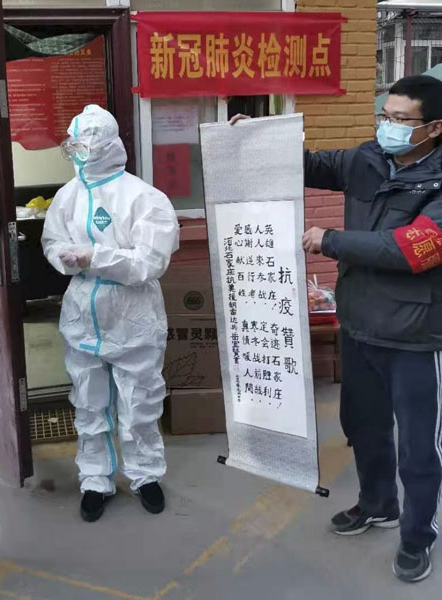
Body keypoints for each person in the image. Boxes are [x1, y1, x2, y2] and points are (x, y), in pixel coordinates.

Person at [230, 74, 442, 583]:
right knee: (363, 425)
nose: (388, 127)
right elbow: (310, 165)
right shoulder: (368, 158)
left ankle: (417, 536)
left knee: (418, 448)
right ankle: (378, 504)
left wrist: (331, 240)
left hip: (415, 336)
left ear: (434, 127)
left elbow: (414, 249)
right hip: (359, 325)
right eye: (384, 116)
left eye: (401, 119)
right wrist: (258, 136)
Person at [42, 105, 179, 522]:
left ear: (105, 146)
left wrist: (95, 257)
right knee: (88, 403)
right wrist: (65, 257)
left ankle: (145, 475)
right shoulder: (68, 195)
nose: (78, 155)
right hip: (83, 317)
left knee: (140, 403)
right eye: (73, 147)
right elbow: (51, 241)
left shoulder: (144, 197)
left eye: (84, 147)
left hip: (133, 317)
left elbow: (150, 261)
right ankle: (94, 480)